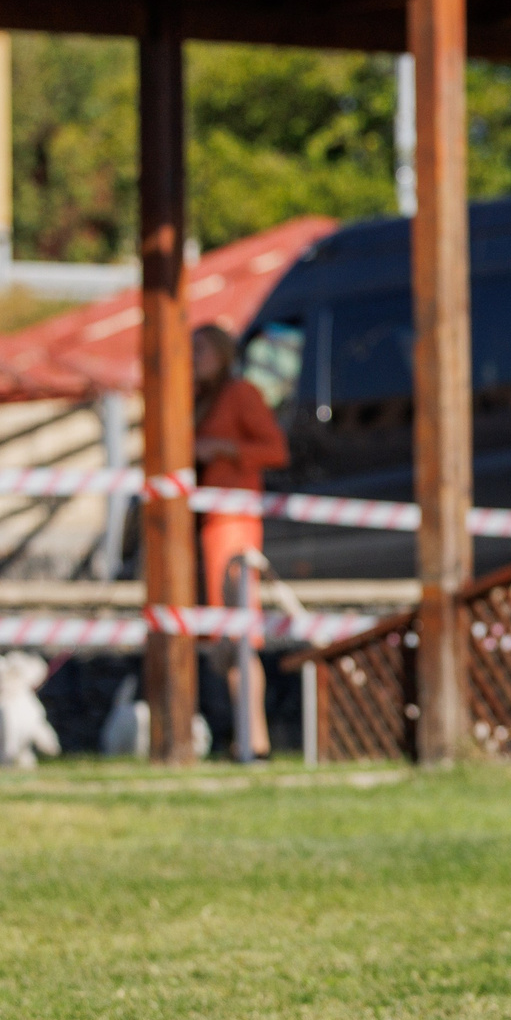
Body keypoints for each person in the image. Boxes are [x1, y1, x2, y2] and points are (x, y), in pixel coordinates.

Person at [191, 323, 287, 759]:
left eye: (202, 349)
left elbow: (275, 449)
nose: (194, 357)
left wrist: (223, 448)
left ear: (223, 352)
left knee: (241, 633)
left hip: (233, 522)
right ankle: (243, 735)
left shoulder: (240, 393)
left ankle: (255, 739)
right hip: (206, 522)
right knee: (223, 640)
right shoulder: (201, 398)